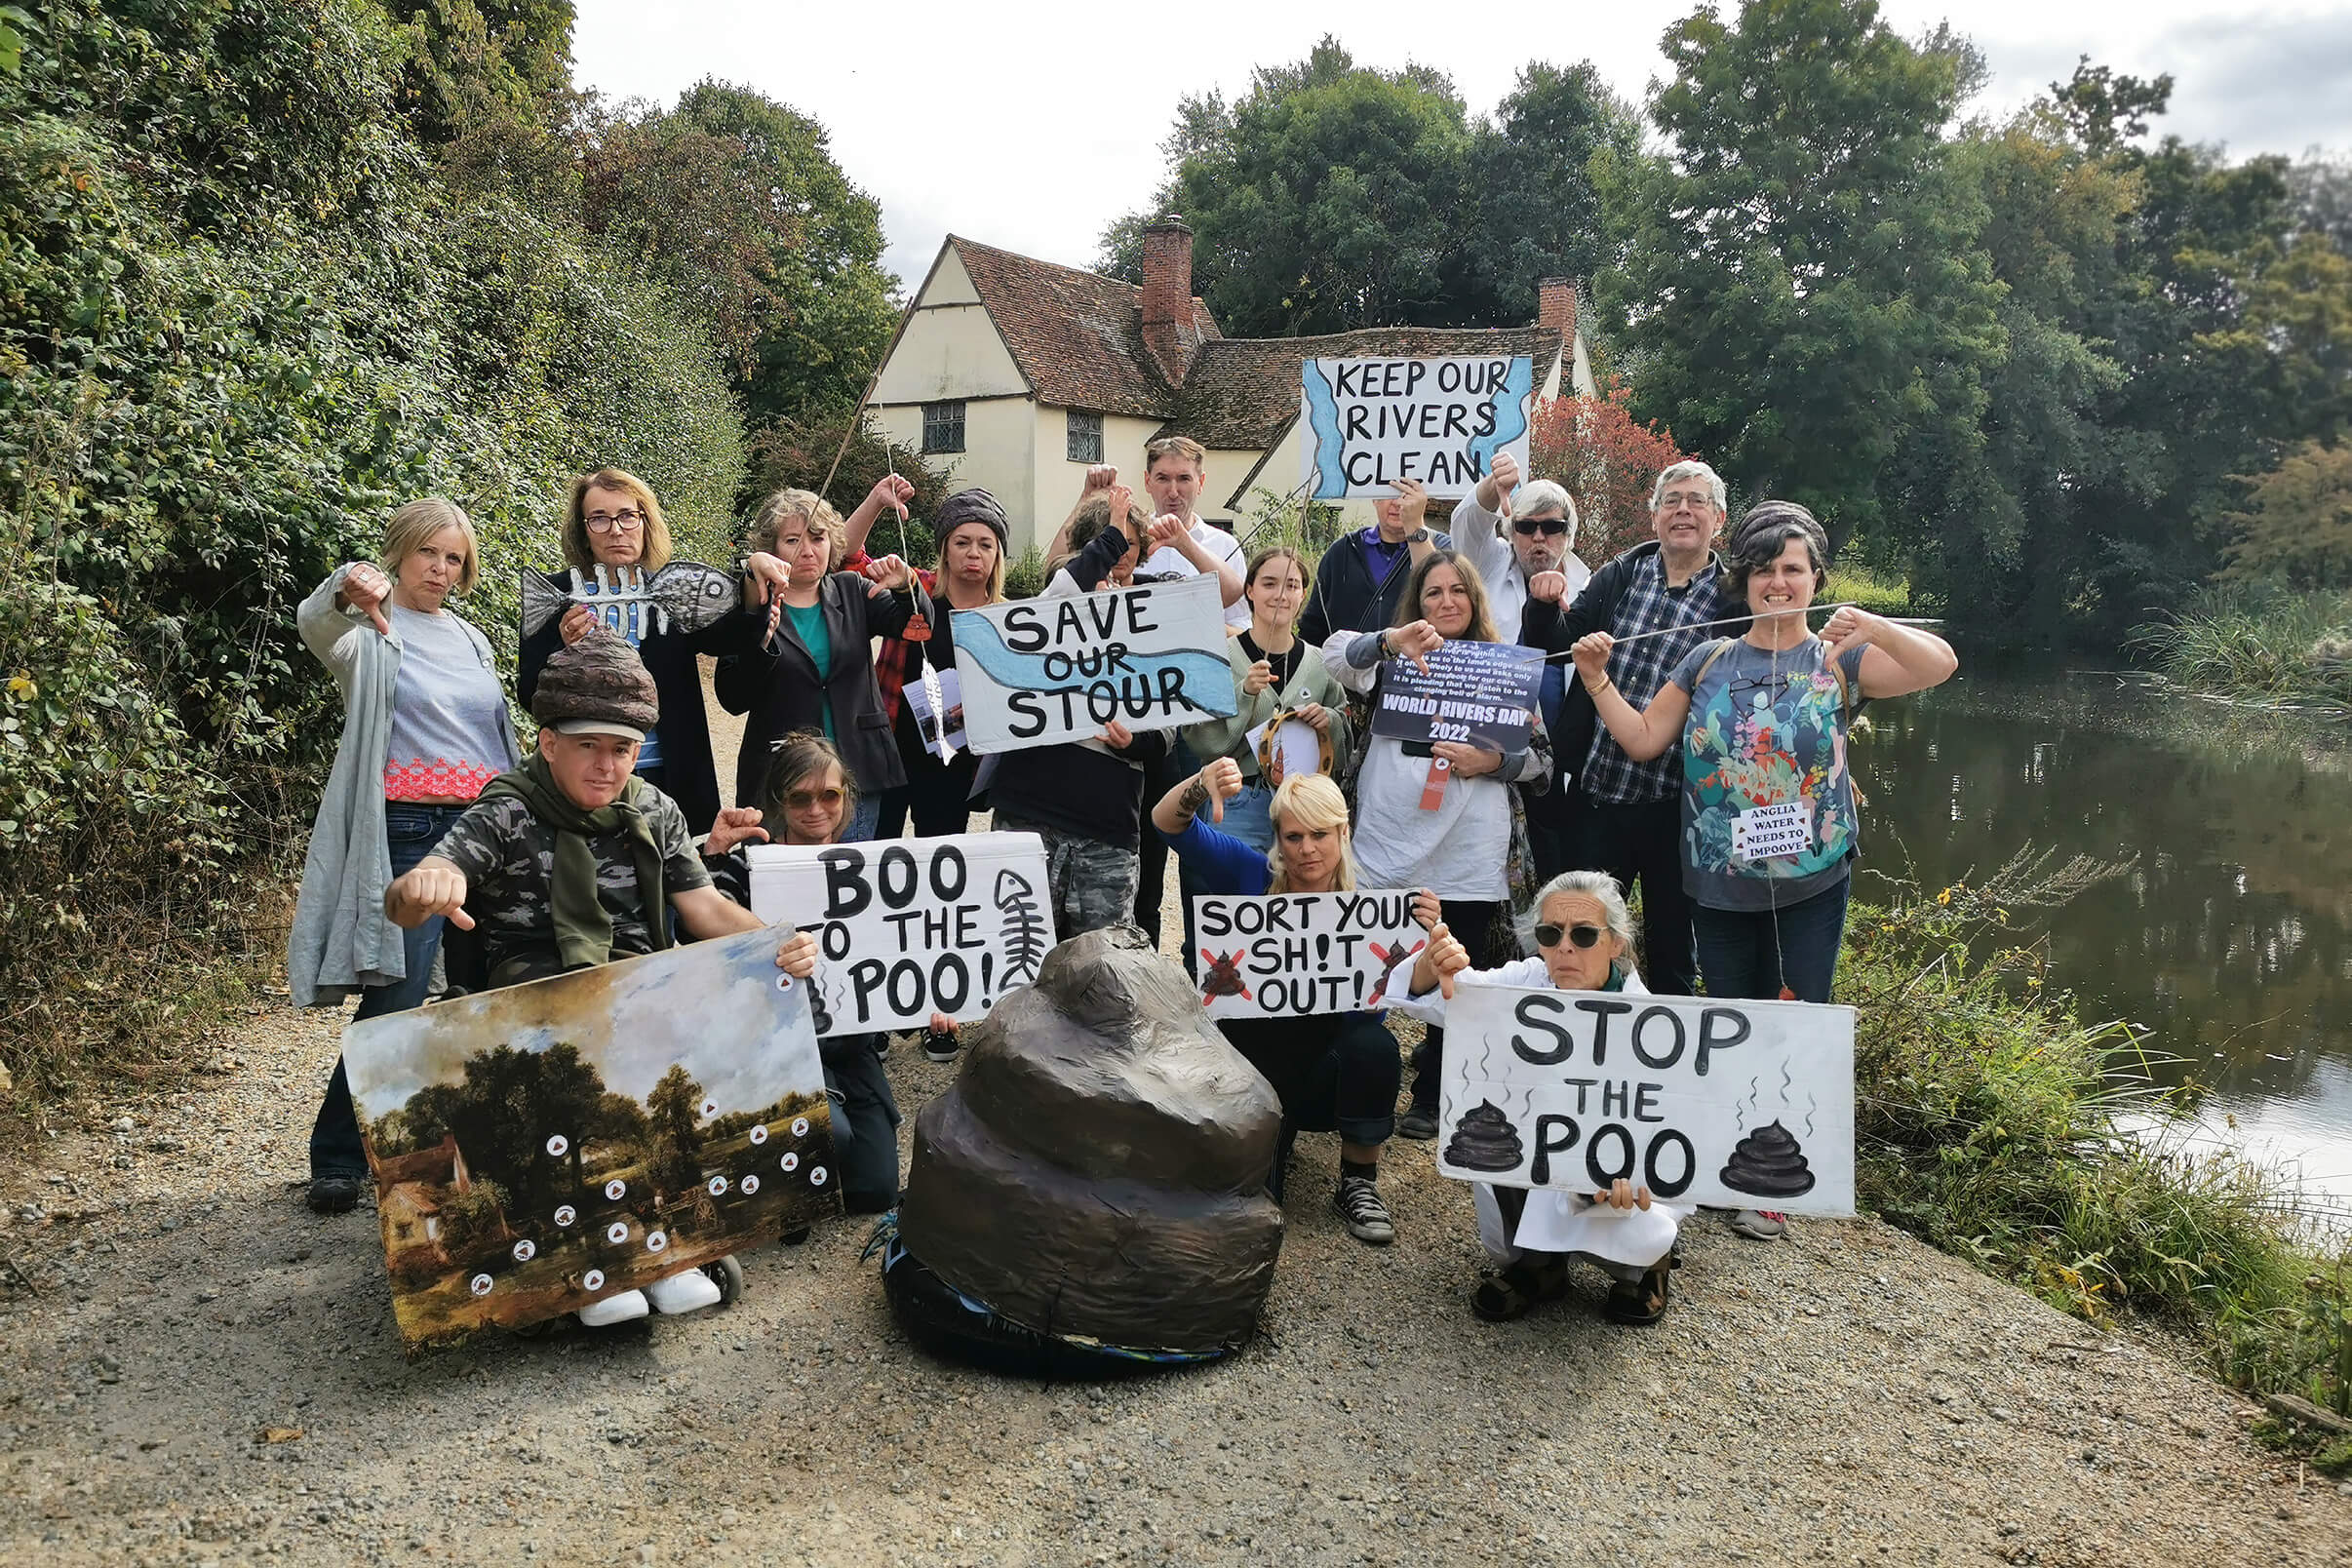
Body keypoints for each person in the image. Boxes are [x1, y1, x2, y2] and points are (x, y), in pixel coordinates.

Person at [382, 628, 819, 1323]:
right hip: (533, 986)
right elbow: (431, 880)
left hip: (634, 983)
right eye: (588, 746)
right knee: (581, 1053)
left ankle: (667, 1244)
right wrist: (424, 886)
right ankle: (593, 1263)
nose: (606, 765)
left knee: (683, 1043)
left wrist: (779, 940)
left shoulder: (654, 810)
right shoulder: (506, 810)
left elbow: (702, 906)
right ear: (549, 742)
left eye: (621, 749)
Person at [1572, 499, 1957, 1239]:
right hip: (1717, 883)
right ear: (1744, 579)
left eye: (1793, 570)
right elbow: (1646, 740)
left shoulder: (1841, 660)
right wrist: (1596, 680)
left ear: (1815, 579)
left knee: (1792, 1024)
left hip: (1812, 882)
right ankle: (1724, 1159)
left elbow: (1939, 666)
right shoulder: (1708, 659)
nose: (1778, 584)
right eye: (1764, 571)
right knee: (1727, 1024)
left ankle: (1773, 1177)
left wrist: (1873, 626)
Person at [288, 498, 521, 1216]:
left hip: (487, 828)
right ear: (399, 554)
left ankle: (470, 1152)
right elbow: (314, 623)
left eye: (453, 558)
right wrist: (345, 587)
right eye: (428, 553)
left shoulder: (474, 640)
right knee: (399, 992)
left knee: (486, 987)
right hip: (411, 828)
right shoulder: (370, 634)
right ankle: (336, 1157)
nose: (440, 570)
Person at [1388, 871, 1682, 1324]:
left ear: (1617, 944)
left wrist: (1636, 1169)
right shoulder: (1528, 979)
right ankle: (1538, 1265)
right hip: (1541, 1158)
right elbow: (1456, 995)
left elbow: (1678, 1126)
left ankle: (1643, 1269)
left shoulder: (1654, 1025)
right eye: (1550, 933)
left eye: (1584, 935)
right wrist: (1434, 964)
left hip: (1615, 1177)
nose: (1565, 947)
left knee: (1638, 1220)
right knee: (1497, 1155)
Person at [1325, 551, 1550, 1141]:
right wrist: (1388, 640)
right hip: (1385, 844)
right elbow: (1334, 653)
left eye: (1458, 591)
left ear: (1476, 601)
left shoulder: (1505, 671)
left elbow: (1545, 765)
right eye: (1432, 593)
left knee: (1458, 975)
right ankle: (1352, 1080)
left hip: (1469, 854)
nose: (1446, 602)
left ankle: (1432, 1094)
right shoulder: (1392, 655)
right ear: (1416, 603)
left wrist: (1495, 760)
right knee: (1364, 969)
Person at [1152, 761, 1411, 1245]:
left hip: (1319, 1077)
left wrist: (1427, 950)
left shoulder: (1370, 911)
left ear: (1342, 832)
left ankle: (1358, 1181)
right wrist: (1198, 783)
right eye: (1293, 837)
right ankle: (1260, 1149)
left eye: (1319, 834)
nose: (1307, 849)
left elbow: (1375, 1008)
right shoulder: (1250, 871)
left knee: (1375, 1045)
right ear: (1278, 838)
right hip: (1248, 1071)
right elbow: (1168, 823)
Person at [1519, 458, 1739, 997]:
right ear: (1655, 516)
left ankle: (1665, 1062)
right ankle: (1576, 1045)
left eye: (1696, 501)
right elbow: (1554, 644)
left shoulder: (1737, 599)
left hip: (1679, 805)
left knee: (1672, 944)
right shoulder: (1622, 574)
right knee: (1583, 934)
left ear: (1720, 519)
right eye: (1671, 501)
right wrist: (1543, 602)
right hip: (1600, 796)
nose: (1683, 510)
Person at [702, 734, 931, 1215]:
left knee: (875, 1191)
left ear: (848, 796)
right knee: (834, 1144)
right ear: (779, 801)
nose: (816, 809)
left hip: (850, 1048)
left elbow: (898, 962)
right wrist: (713, 855)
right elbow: (694, 935)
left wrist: (930, 1002)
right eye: (800, 797)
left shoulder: (871, 870)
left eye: (829, 795)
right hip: (774, 1048)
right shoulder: (747, 867)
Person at [518, 467, 788, 837]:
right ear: (583, 531)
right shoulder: (553, 597)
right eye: (599, 518)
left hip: (669, 773)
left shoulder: (671, 592)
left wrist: (753, 577)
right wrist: (561, 651)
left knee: (677, 883)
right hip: (584, 779)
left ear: (646, 523)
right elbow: (528, 694)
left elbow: (732, 634)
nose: (616, 529)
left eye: (628, 516)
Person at [984, 490, 1173, 941]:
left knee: (1100, 964)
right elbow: (1066, 588)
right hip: (1030, 811)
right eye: (1113, 540)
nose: (1122, 552)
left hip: (1108, 824)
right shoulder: (1050, 603)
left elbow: (1168, 728)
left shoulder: (1160, 617)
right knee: (1021, 951)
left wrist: (1135, 741)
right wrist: (1110, 535)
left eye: (1131, 543)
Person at [714, 489, 931, 843]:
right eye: (792, 540)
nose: (807, 550)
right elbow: (733, 698)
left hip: (855, 775)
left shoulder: (852, 590)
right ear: (771, 548)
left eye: (818, 537)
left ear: (832, 542)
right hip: (783, 782)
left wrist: (908, 587)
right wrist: (759, 636)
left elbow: (918, 629)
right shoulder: (751, 602)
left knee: (852, 886)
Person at [852, 488, 1007, 847]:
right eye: (962, 542)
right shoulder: (912, 585)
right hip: (890, 752)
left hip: (954, 764)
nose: (973, 553)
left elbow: (1017, 695)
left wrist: (984, 710)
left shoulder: (1006, 619)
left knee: (939, 860)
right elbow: (848, 559)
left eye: (985, 544)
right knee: (875, 853)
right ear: (945, 549)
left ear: (998, 552)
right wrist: (875, 500)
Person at [1182, 545, 1351, 852]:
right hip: (1239, 799)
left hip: (1304, 808)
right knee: (1236, 894)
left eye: (1292, 585)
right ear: (1250, 590)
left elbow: (1343, 742)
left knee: (1298, 895)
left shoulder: (1321, 664)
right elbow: (1200, 740)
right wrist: (1244, 693)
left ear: (1302, 595)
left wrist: (1329, 720)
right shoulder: (1221, 657)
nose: (1281, 595)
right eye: (1269, 583)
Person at [1446, 452, 1590, 643]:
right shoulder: (1491, 563)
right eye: (1526, 526)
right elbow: (1468, 527)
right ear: (1511, 532)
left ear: (1568, 533)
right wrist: (1493, 485)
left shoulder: (1589, 587)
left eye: (1552, 526)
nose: (1538, 537)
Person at [1296, 480, 1452, 648]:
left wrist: (1416, 528)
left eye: (1405, 495)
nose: (1397, 503)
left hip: (1414, 669)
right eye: (1387, 494)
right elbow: (1313, 627)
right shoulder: (1342, 551)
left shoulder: (1445, 548)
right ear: (1373, 498)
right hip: (1348, 670)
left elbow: (1445, 604)